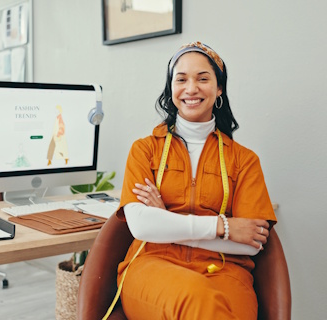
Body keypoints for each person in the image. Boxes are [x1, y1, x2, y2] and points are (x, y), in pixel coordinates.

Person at [115, 42, 277, 319]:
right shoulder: (145, 150)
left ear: (219, 88)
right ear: (171, 88)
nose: (191, 89)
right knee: (197, 298)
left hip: (226, 270)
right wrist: (222, 226)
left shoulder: (244, 160)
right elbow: (141, 226)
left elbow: (250, 242)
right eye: (181, 79)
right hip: (153, 263)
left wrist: (165, 221)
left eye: (203, 78)